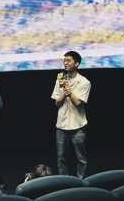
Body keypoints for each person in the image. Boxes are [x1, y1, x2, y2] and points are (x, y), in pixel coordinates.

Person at [51, 50, 91, 178]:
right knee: (61, 157)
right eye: (64, 60)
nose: (65, 63)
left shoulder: (84, 82)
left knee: (81, 157)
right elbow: (57, 102)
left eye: (68, 60)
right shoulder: (60, 80)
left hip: (78, 125)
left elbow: (78, 102)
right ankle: (64, 181)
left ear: (77, 63)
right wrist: (64, 90)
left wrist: (67, 88)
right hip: (61, 124)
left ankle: (81, 181)